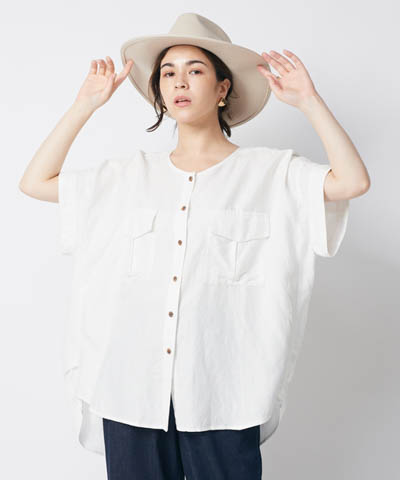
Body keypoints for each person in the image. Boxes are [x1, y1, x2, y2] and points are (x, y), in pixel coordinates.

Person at [19, 12, 370, 480]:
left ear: (223, 88)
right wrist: (85, 105)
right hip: (130, 390)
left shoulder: (270, 174)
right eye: (168, 73)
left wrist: (310, 102)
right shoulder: (127, 176)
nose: (179, 82)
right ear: (159, 92)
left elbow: (352, 182)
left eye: (195, 70)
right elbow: (35, 182)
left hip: (223, 394)